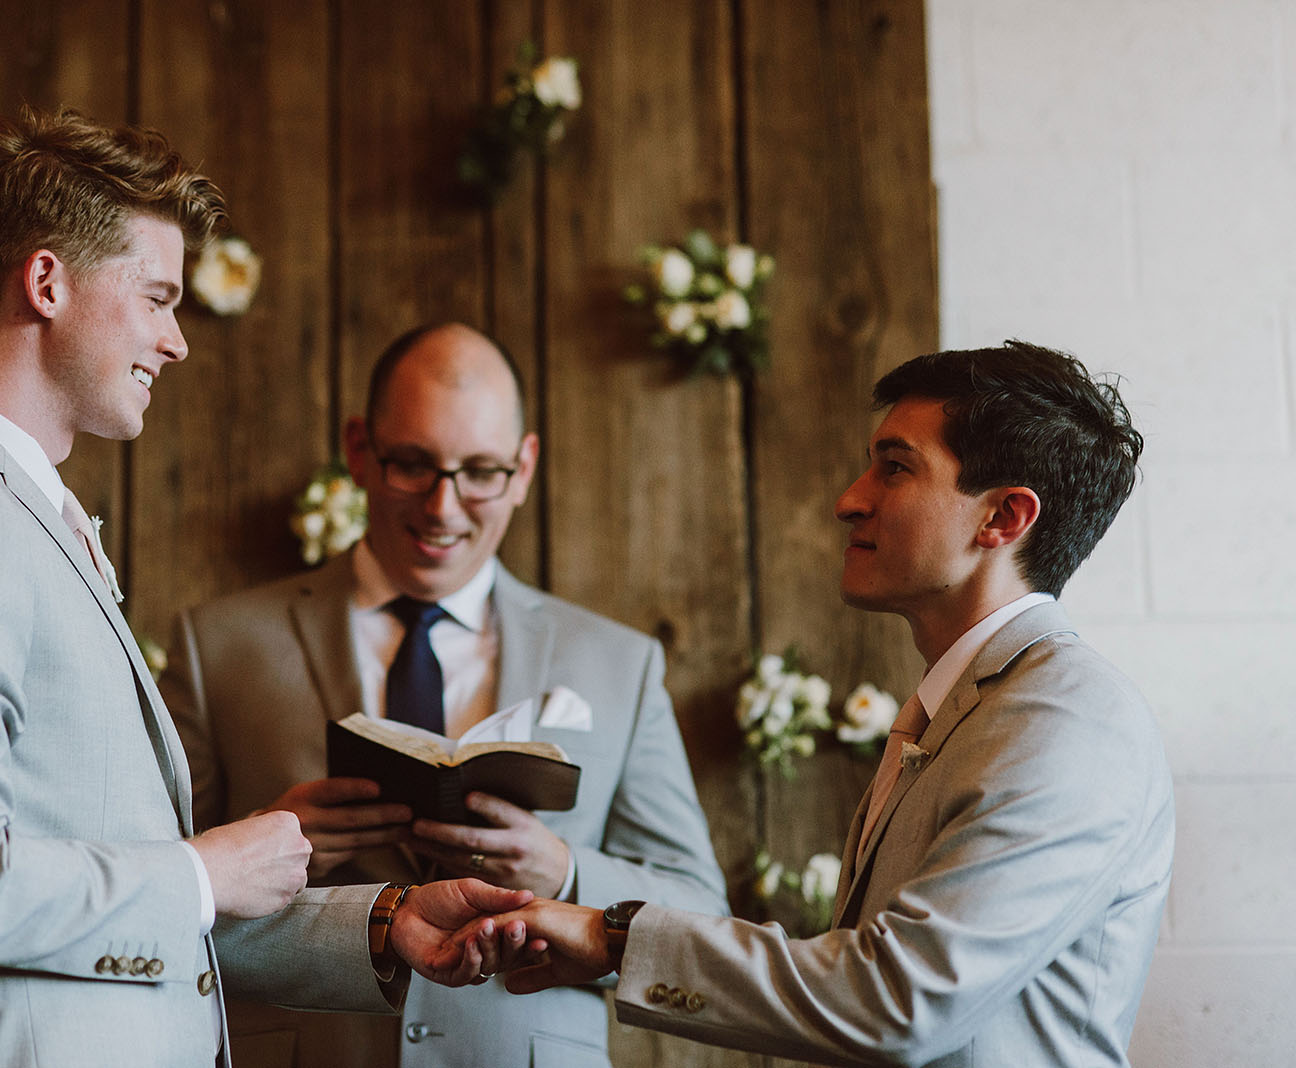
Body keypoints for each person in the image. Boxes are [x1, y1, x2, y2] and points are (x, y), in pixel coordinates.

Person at [0, 108, 530, 1068]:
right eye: (156, 297)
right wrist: (201, 866)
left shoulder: (12, 508)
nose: (177, 341)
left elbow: (112, 914)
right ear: (46, 282)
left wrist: (384, 925)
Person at [482, 342, 1175, 1068]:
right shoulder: (966, 707)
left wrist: (612, 938)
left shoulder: (1067, 720)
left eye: (896, 467)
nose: (850, 499)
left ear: (1002, 518)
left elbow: (898, 1000)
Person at [161, 321, 730, 1068]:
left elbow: (703, 914)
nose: (443, 506)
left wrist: (565, 874)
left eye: (481, 471)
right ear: (360, 448)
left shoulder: (619, 663)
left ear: (525, 468)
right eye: (413, 465)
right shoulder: (219, 646)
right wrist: (266, 840)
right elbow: (151, 891)